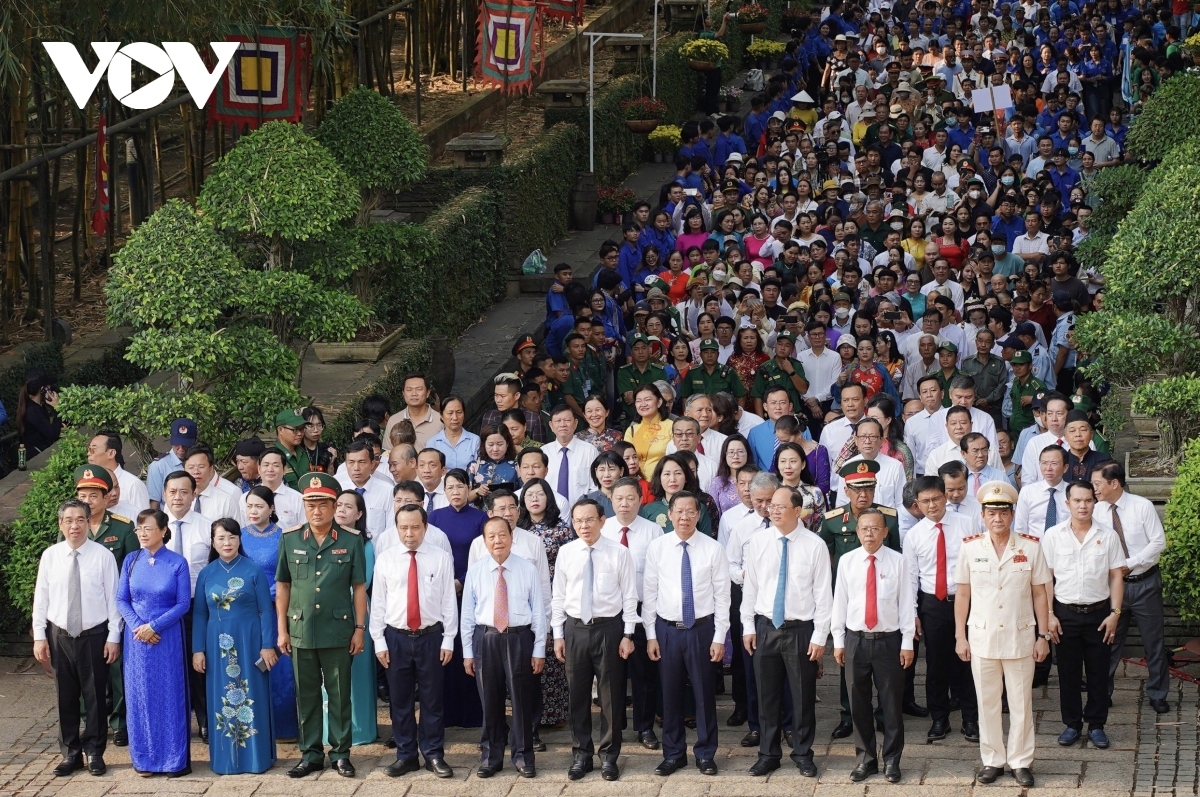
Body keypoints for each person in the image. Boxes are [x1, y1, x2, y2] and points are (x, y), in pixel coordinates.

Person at [954, 481, 1052, 788]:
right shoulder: (970, 547)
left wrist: (1043, 635)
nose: (998, 519)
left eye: (1003, 512)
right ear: (982, 515)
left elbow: (1040, 594)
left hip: (1020, 636)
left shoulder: (1031, 547)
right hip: (982, 637)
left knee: (1022, 703)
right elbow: (963, 596)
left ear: (1012, 515)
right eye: (992, 513)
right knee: (987, 702)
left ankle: (1021, 761)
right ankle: (992, 759)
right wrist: (960, 636)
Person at [275, 473, 368, 778]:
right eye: (310, 505)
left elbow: (358, 589)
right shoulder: (289, 539)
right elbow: (283, 586)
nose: (316, 511)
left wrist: (359, 629)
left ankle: (341, 752)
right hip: (301, 630)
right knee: (307, 695)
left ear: (333, 506)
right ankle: (311, 753)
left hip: (338, 630)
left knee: (340, 695)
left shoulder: (351, 540)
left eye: (323, 505)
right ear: (304, 506)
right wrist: (282, 629)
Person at [742, 487, 832, 778]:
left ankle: (803, 753)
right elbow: (750, 588)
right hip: (766, 627)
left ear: (798, 511)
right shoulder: (758, 542)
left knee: (802, 696)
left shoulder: (814, 545)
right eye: (771, 505)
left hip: (800, 630)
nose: (774, 510)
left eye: (781, 506)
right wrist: (747, 626)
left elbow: (823, 595)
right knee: (766, 695)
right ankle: (768, 754)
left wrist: (820, 636)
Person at [642, 491, 730, 777]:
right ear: (669, 514)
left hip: (702, 630)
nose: (684, 517)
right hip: (667, 631)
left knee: (704, 694)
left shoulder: (713, 549)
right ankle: (674, 753)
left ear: (699, 515)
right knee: (670, 694)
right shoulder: (658, 547)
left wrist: (720, 637)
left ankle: (705, 754)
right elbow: (650, 593)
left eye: (690, 512)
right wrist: (651, 635)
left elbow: (722, 597)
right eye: (678, 511)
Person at [33, 499, 122, 778]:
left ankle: (94, 751)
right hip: (59, 635)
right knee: (65, 697)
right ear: (61, 524)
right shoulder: (51, 555)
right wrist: (39, 636)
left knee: (95, 695)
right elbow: (41, 598)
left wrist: (114, 636)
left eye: (80, 520)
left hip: (94, 634)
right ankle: (71, 753)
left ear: (88, 522)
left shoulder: (102, 555)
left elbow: (114, 600)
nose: (75, 525)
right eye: (69, 520)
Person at [551, 499, 638, 781]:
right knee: (577, 695)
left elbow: (629, 597)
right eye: (578, 521)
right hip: (575, 629)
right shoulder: (566, 552)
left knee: (611, 696)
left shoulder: (618, 552)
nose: (583, 526)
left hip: (608, 629)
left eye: (589, 520)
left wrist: (628, 634)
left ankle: (609, 756)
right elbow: (558, 597)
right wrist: (557, 635)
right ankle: (581, 755)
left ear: (602, 520)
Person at [371, 504, 457, 778]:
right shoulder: (385, 559)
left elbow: (448, 601)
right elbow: (379, 604)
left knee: (433, 700)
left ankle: (433, 754)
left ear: (425, 527)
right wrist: (378, 641)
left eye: (415, 527)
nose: (409, 533)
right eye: (403, 528)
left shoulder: (440, 557)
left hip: (431, 637)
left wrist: (449, 639)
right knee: (400, 701)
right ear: (396, 529)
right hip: (395, 637)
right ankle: (406, 755)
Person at [831, 508, 915, 784]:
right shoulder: (847, 561)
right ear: (857, 532)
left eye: (874, 528)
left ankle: (892, 759)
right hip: (856, 640)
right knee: (858, 703)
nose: (869, 533)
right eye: (864, 528)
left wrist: (907, 642)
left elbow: (906, 604)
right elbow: (840, 602)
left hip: (888, 641)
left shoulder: (898, 561)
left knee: (891, 704)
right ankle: (866, 759)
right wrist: (839, 641)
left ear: (885, 532)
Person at [819, 459, 901, 737]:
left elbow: (896, 554)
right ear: (846, 489)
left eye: (869, 488)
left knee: (884, 670)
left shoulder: (888, 518)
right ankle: (848, 714)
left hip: (881, 595)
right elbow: (825, 556)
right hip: (849, 596)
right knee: (848, 662)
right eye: (857, 489)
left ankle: (881, 715)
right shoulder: (832, 521)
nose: (863, 495)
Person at [461, 517, 547, 778]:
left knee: (521, 700)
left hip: (519, 639)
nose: (497, 541)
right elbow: (467, 614)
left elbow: (539, 612)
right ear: (484, 541)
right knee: (490, 701)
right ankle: (491, 756)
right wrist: (467, 652)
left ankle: (523, 756)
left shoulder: (527, 569)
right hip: (485, 639)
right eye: (491, 536)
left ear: (511, 537)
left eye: (502, 535)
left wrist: (539, 648)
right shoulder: (476, 571)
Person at [1042, 481, 1125, 749]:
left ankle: (1097, 725)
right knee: (1068, 673)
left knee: (1099, 673)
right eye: (1077, 501)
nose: (1082, 506)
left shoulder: (1108, 535)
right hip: (1065, 613)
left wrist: (1115, 613)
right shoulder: (1053, 536)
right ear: (1067, 503)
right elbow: (1046, 580)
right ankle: (1072, 724)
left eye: (1088, 500)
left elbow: (1116, 576)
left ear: (1095, 502)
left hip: (1099, 614)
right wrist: (1049, 615)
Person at [192, 518, 277, 774]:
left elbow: (265, 609)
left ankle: (256, 759)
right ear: (213, 542)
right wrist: (198, 649)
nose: (227, 543)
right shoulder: (207, 573)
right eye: (221, 538)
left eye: (231, 537)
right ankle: (226, 760)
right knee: (222, 696)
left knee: (253, 695)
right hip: (217, 645)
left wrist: (267, 644)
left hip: (250, 641)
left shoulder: (253, 570)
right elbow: (199, 614)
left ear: (239, 539)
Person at [904, 474, 980, 743]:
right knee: (936, 664)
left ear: (945, 497)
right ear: (917, 504)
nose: (932, 505)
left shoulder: (966, 525)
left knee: (967, 661)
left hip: (964, 599)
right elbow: (911, 578)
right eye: (925, 501)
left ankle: (971, 719)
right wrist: (913, 613)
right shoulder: (914, 536)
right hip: (932, 604)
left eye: (936, 498)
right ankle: (939, 718)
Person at [117, 509, 193, 777]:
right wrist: (140, 627)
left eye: (148, 528)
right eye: (139, 529)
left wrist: (155, 626)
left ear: (163, 531)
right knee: (140, 697)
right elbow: (121, 599)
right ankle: (144, 760)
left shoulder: (177, 563)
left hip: (167, 636)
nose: (143, 533)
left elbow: (183, 603)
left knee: (170, 694)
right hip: (137, 640)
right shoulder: (130, 560)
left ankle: (174, 760)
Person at [1092, 461, 1171, 714]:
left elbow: (1158, 543)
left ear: (1114, 483)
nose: (1094, 489)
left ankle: (1158, 693)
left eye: (1097, 484)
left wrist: (1129, 564)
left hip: (1144, 583)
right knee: (1109, 641)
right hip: (1113, 587)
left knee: (1153, 642)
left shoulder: (1142, 506)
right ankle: (1103, 693)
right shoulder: (1096, 512)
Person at [66, 465, 136, 746]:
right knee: (83, 670)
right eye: (83, 494)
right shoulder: (72, 527)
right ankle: (89, 720)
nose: (88, 500)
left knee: (117, 669)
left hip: (115, 609)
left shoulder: (122, 527)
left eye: (94, 495)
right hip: (82, 610)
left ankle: (120, 722)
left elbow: (132, 568)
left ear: (106, 498)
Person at [600, 477, 664, 750]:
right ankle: (614, 726)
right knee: (611, 673)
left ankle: (645, 726)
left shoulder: (653, 532)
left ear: (641, 500)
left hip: (642, 608)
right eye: (618, 499)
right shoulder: (602, 529)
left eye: (630, 498)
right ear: (611, 500)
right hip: (610, 612)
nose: (624, 504)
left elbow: (658, 575)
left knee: (643, 673)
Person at [428, 469, 488, 728]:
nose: (455, 492)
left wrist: (461, 581)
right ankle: (448, 713)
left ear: (469, 488)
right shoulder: (434, 517)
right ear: (444, 491)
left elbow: (482, 555)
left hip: (468, 590)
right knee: (445, 651)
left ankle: (473, 714)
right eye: (450, 487)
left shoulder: (481, 518)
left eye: (460, 486)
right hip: (439, 593)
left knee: (467, 650)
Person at [239, 486, 298, 740]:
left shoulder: (284, 536)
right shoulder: (239, 536)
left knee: (281, 666)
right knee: (251, 665)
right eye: (250, 506)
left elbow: (289, 574)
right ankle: (255, 725)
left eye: (259, 506)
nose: (254, 511)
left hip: (277, 608)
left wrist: (270, 595)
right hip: (248, 609)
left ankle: (285, 727)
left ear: (271, 508)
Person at [517, 479, 575, 735]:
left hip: (554, 594)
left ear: (549, 498)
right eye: (529, 494)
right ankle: (527, 711)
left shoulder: (561, 529)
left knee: (551, 654)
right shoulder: (518, 529)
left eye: (540, 493)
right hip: (523, 598)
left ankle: (555, 713)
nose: (535, 498)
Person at [160, 470, 214, 741]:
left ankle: (204, 721)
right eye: (173, 491)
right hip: (163, 610)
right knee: (170, 667)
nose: (178, 497)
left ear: (194, 494)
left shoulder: (208, 526)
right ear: (163, 494)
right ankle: (175, 725)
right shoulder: (153, 527)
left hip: (197, 606)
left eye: (184, 491)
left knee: (199, 663)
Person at [325, 490, 378, 746]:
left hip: (354, 610)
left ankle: (360, 729)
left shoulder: (365, 544)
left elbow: (363, 581)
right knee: (329, 675)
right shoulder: (323, 539)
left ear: (359, 514)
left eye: (349, 506)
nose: (342, 509)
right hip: (325, 613)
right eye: (339, 505)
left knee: (357, 673)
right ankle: (330, 730)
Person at [544, 404, 601, 504]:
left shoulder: (589, 451)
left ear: (575, 423)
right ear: (551, 425)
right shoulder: (543, 452)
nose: (562, 425)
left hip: (582, 514)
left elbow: (595, 487)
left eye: (567, 420)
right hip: (550, 514)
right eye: (558, 421)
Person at [623, 385, 674, 480]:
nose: (643, 404)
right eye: (638, 401)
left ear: (659, 402)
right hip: (638, 484)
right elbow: (625, 458)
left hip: (664, 482)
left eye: (647, 399)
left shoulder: (671, 427)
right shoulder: (631, 430)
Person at [385, 373, 444, 450]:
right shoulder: (394, 420)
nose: (414, 394)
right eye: (409, 390)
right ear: (403, 393)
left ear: (427, 393)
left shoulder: (441, 420)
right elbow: (388, 454)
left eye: (419, 389)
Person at [147, 418, 197, 509]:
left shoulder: (199, 464)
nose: (181, 449)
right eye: (177, 444)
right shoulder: (158, 466)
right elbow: (154, 503)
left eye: (185, 445)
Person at [16, 369, 62, 457]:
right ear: (42, 389)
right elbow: (52, 433)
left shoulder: (38, 406)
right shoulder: (33, 411)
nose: (50, 388)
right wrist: (57, 408)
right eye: (48, 386)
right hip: (36, 457)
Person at [429, 396, 480, 472]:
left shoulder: (475, 440)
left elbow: (480, 469)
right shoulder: (433, 443)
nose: (455, 417)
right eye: (450, 413)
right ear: (441, 415)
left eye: (459, 412)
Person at [272, 409, 311, 489]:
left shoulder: (304, 452)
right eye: (295, 430)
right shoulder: (273, 457)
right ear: (280, 430)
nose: (300, 434)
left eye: (302, 429)